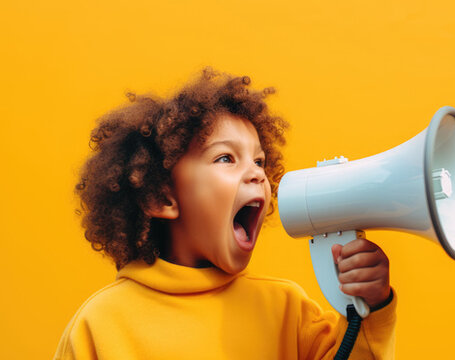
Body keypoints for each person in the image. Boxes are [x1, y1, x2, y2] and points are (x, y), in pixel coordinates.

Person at [54, 68, 395, 359]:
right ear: (162, 196)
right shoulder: (99, 325)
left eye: (259, 161)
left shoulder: (288, 312)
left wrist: (371, 307)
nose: (257, 174)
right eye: (226, 159)